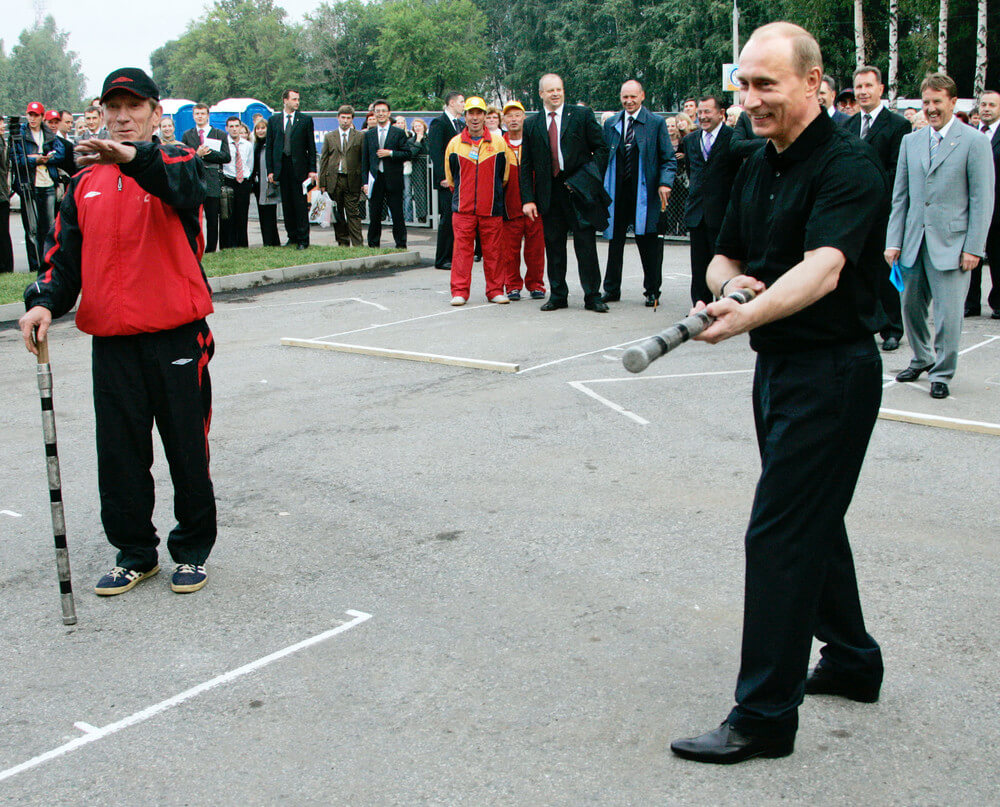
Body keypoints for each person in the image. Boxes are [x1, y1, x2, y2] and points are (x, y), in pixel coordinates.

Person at [670, 22, 890, 764]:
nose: (751, 98)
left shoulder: (849, 165)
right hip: (780, 371)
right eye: (744, 84)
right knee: (812, 518)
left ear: (812, 82)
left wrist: (742, 317)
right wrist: (728, 285)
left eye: (765, 84)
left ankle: (764, 715)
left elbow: (823, 268)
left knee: (780, 532)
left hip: (834, 373)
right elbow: (724, 255)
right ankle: (854, 660)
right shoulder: (757, 160)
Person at [18, 67, 216, 597]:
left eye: (134, 108)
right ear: (103, 112)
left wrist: (132, 158)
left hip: (176, 336)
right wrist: (42, 304)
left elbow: (185, 186)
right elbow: (63, 261)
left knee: (186, 451)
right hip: (112, 341)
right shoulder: (84, 183)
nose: (123, 118)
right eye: (115, 108)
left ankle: (192, 550)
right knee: (121, 453)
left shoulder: (179, 163)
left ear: (155, 113)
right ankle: (135, 553)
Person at [885, 72, 994, 400]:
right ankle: (922, 357)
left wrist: (974, 247)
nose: (931, 108)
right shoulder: (910, 141)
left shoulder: (974, 141)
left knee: (948, 316)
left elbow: (982, 198)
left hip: (953, 246)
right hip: (913, 244)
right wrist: (893, 240)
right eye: (927, 102)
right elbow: (900, 197)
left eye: (937, 102)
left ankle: (942, 372)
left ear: (952, 102)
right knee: (911, 307)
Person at [519, 73, 611, 312]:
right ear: (541, 94)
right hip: (549, 193)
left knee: (586, 245)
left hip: (579, 191)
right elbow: (526, 164)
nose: (556, 94)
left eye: (559, 89)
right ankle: (558, 294)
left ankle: (592, 296)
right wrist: (528, 199)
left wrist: (587, 179)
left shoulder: (581, 115)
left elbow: (601, 149)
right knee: (554, 246)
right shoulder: (531, 124)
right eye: (550, 90)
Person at [846, 65, 912, 351]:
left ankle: (892, 328)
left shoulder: (897, 125)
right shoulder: (846, 126)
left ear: (881, 89)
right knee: (857, 272)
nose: (863, 92)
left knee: (884, 274)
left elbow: (897, 171)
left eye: (868, 86)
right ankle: (864, 324)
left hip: (883, 213)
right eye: (859, 87)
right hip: (853, 214)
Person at [600, 79, 676, 306]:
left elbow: (668, 158)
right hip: (617, 193)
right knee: (614, 243)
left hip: (646, 193)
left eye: (633, 97)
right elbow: (604, 157)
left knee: (648, 243)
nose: (629, 101)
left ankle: (652, 291)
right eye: (625, 97)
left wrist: (665, 183)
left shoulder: (655, 123)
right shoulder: (612, 123)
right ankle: (611, 289)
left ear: (642, 96)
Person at [443, 96, 512, 305]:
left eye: (479, 113)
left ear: (485, 116)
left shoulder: (499, 143)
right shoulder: (454, 144)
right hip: (463, 209)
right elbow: (451, 178)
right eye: (471, 113)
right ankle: (460, 292)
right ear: (464, 116)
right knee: (462, 253)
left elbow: (505, 176)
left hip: (491, 208)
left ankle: (495, 291)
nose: (475, 117)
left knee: (494, 252)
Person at [684, 95, 739, 305]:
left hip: (723, 213)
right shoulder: (690, 140)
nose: (703, 117)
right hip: (697, 213)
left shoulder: (732, 137)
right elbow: (692, 171)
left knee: (723, 262)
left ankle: (724, 305)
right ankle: (700, 305)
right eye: (699, 113)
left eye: (707, 112)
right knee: (698, 265)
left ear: (720, 113)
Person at [500, 101, 546, 301]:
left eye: (517, 115)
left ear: (524, 118)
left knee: (536, 250)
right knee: (509, 252)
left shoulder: (534, 142)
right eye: (509, 116)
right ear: (504, 120)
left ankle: (536, 285)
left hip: (534, 207)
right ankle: (512, 285)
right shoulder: (498, 144)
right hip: (509, 208)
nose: (513, 119)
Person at [12, 101, 66, 274]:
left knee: (49, 226)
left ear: (42, 117)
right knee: (32, 229)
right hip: (29, 185)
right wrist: (35, 159)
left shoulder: (49, 133)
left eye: (36, 115)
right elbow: (17, 158)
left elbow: (61, 152)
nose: (32, 118)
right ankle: (34, 264)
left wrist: (47, 159)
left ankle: (48, 262)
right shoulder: (20, 134)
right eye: (30, 115)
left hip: (48, 183)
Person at [266, 89, 317, 250]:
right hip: (282, 167)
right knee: (287, 204)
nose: (297, 102)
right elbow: (270, 147)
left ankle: (303, 239)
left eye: (298, 99)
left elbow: (311, 146)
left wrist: (312, 169)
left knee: (300, 204)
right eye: (294, 99)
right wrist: (271, 170)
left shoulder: (305, 120)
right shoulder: (274, 120)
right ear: (285, 100)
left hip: (299, 169)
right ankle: (292, 236)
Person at [965, 89, 1000, 319]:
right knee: (971, 253)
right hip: (971, 205)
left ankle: (998, 302)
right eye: (983, 105)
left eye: (992, 105)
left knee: (997, 254)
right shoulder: (970, 134)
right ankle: (970, 303)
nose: (986, 109)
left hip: (997, 205)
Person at [361, 99, 413, 249]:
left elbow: (407, 153)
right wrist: (365, 182)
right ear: (374, 114)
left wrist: (390, 153)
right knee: (375, 213)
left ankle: (401, 244)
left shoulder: (398, 133)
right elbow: (365, 160)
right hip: (375, 179)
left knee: (397, 213)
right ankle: (373, 244)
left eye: (384, 111)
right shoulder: (369, 134)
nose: (381, 114)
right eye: (378, 111)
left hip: (393, 178)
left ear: (389, 114)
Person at [182, 103, 230, 253]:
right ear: (193, 116)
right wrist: (197, 154)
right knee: (194, 217)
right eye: (197, 114)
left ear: (208, 115)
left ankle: (211, 249)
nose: (200, 116)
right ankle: (194, 247)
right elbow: (184, 157)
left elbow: (226, 157)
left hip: (213, 180)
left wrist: (208, 153)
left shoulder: (219, 134)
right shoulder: (187, 135)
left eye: (202, 113)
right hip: (195, 180)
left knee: (212, 217)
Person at [428, 92, 466, 269]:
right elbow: (436, 152)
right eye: (461, 102)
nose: (463, 105)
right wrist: (443, 176)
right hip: (447, 180)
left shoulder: (460, 124)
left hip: (460, 179)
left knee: (457, 219)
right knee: (447, 218)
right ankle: (442, 258)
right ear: (451, 103)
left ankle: (452, 255)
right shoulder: (439, 123)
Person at [318, 104, 364, 247]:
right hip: (334, 179)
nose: (345, 121)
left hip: (352, 179)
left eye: (348, 118)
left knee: (353, 214)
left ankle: (358, 244)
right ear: (338, 118)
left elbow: (363, 160)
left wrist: (363, 181)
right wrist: (322, 183)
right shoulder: (330, 136)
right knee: (338, 214)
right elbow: (324, 160)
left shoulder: (360, 136)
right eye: (343, 118)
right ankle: (342, 242)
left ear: (352, 120)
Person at [221, 115, 253, 249]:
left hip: (243, 181)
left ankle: (242, 244)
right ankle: (228, 244)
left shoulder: (247, 145)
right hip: (229, 180)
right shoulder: (223, 144)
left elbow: (249, 164)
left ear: (240, 127)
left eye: (236, 126)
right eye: (231, 126)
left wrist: (246, 177)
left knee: (242, 214)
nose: (234, 129)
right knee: (228, 214)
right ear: (227, 128)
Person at [251, 117, 281, 246]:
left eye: (263, 128)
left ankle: (272, 241)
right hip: (258, 184)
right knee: (262, 214)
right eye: (258, 128)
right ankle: (267, 241)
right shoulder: (256, 145)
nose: (260, 131)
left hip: (268, 184)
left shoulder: (271, 144)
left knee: (270, 214)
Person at [409, 117, 430, 223]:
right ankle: (422, 216)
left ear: (424, 127)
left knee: (430, 190)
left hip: (429, 167)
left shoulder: (430, 138)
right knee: (419, 191)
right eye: (415, 126)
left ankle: (432, 214)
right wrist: (418, 141)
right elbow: (411, 153)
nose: (417, 128)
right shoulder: (411, 141)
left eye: (419, 126)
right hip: (417, 168)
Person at [0, 118, 13, 273]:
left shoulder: (2, 142)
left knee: (3, 232)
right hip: (3, 192)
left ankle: (6, 266)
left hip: (2, 194)